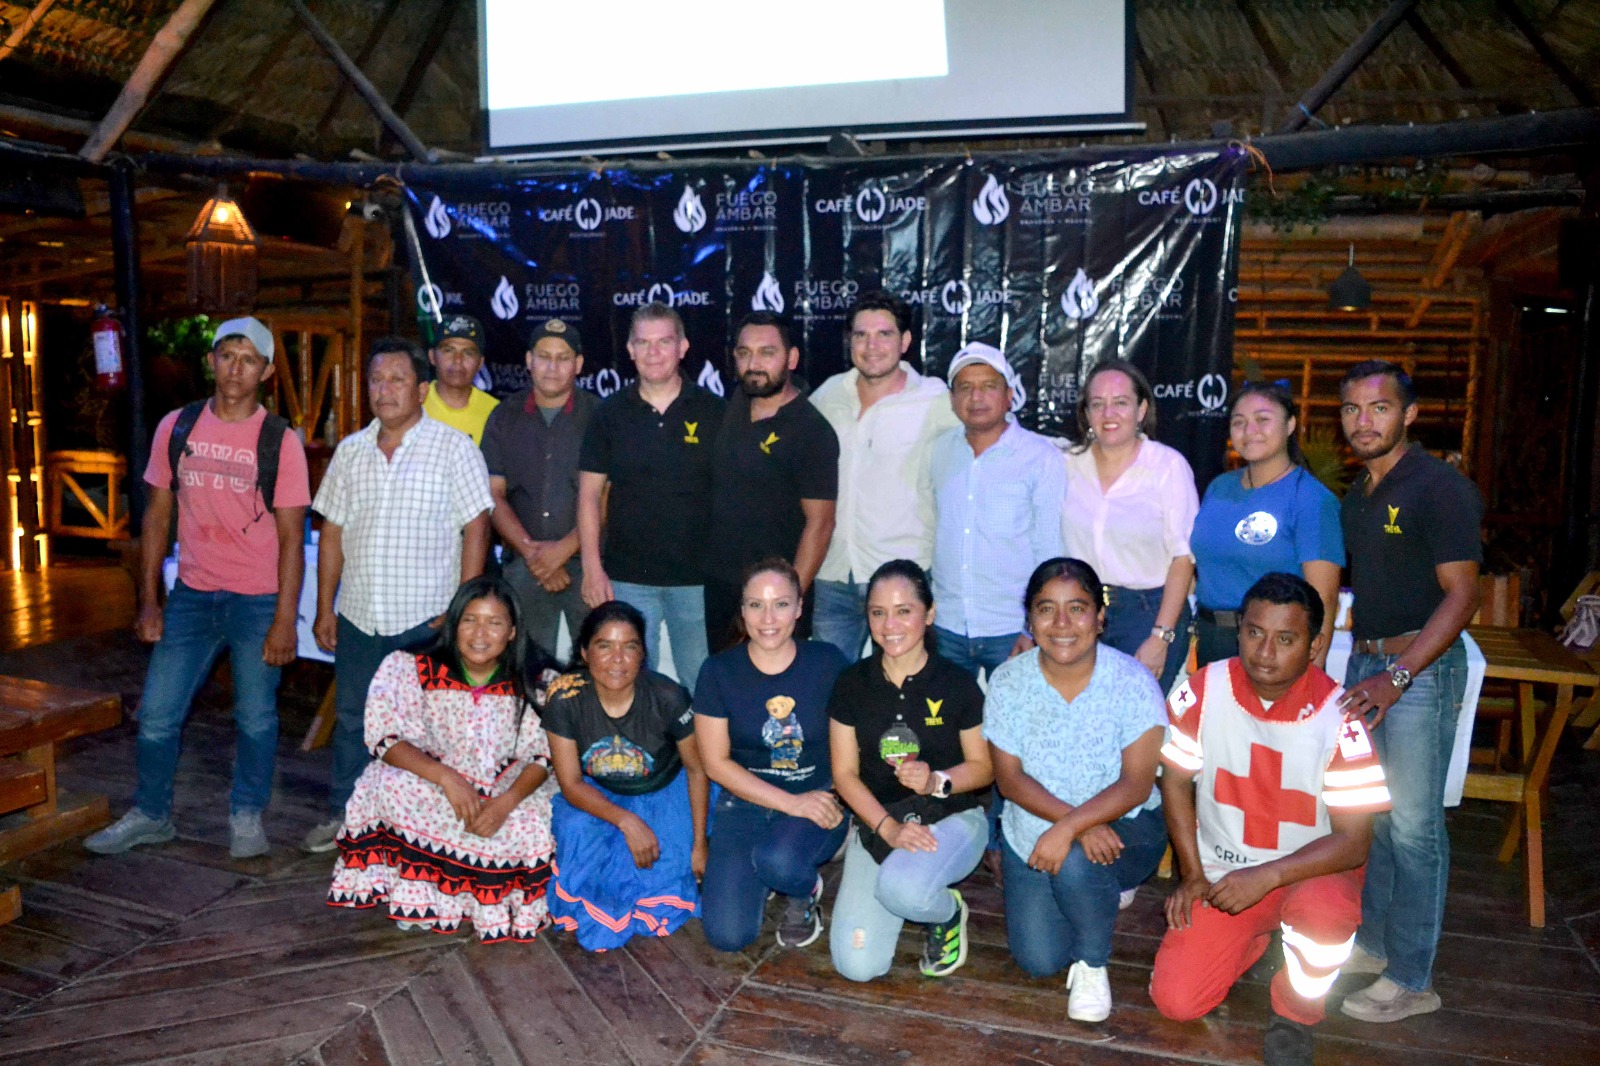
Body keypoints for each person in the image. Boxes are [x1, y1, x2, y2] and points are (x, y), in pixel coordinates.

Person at [87, 317, 310, 859]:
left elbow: (290, 538)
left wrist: (285, 620)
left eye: (248, 358)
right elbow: (156, 517)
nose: (236, 367)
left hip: (256, 602)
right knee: (157, 712)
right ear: (210, 361)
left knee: (256, 715)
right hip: (191, 594)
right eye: (226, 354)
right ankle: (151, 813)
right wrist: (149, 600)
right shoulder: (177, 427)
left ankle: (246, 814)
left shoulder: (280, 441)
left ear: (266, 372)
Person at [1151, 572, 1389, 1066]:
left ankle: (1296, 1013)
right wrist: (1193, 875)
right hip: (1224, 876)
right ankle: (1256, 938)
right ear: (1238, 628)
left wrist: (1268, 876)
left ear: (1315, 643)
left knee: (1325, 921)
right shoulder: (1204, 688)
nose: (1265, 652)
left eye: (1286, 639)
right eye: (1255, 632)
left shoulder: (1339, 717)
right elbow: (1173, 781)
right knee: (1177, 1002)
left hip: (1310, 877)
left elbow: (1354, 843)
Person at [303, 338, 494, 853]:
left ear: (422, 388)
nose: (384, 391)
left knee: (430, 731)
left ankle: (425, 827)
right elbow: (333, 532)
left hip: (426, 620)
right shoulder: (350, 451)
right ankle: (347, 817)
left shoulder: (454, 448)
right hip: (361, 616)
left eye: (397, 380)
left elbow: (476, 527)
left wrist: (462, 612)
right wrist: (325, 608)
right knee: (353, 721)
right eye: (376, 380)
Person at [1334, 359, 1482, 1024]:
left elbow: (1463, 595)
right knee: (1377, 818)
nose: (1364, 422)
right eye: (1352, 410)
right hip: (1366, 666)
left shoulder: (1438, 487)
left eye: (1379, 408)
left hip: (1413, 673)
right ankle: (1374, 945)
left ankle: (1414, 978)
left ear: (1409, 414)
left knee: (1416, 829)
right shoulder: (1358, 493)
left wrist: (1399, 677)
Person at [984, 558, 1168, 1023]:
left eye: (1078, 608)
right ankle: (1091, 892)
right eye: (1046, 609)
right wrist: (1076, 827)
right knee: (1039, 960)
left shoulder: (1132, 682)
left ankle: (1092, 962)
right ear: (1029, 618)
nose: (1061, 624)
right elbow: (1009, 780)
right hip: (1033, 832)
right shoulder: (1008, 681)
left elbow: (1136, 783)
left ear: (1100, 617)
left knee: (1076, 866)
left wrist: (1067, 829)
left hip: (1127, 826)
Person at [327, 576, 557, 941]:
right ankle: (420, 896)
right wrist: (447, 778)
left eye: (494, 622)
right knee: (388, 784)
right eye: (470, 619)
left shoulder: (538, 679)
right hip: (432, 775)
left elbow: (543, 755)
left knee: (527, 820)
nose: (480, 632)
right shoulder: (410, 666)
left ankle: (479, 903)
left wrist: (503, 804)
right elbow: (385, 737)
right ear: (453, 623)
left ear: (512, 632)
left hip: (505, 784)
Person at [827, 560, 991, 981]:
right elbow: (844, 775)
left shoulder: (957, 683)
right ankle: (908, 885)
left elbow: (983, 768)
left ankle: (947, 911)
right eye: (878, 612)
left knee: (904, 890)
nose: (890, 624)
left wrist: (939, 779)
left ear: (929, 614)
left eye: (904, 610)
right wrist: (886, 829)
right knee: (857, 965)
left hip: (951, 816)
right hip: (879, 822)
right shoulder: (850, 682)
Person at [693, 557, 850, 951]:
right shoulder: (717, 671)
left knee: (779, 861)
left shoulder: (828, 662)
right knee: (728, 937)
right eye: (755, 604)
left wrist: (828, 795)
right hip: (746, 803)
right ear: (742, 610)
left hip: (819, 798)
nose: (768, 617)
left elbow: (852, 743)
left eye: (781, 604)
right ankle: (761, 871)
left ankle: (803, 888)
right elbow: (715, 762)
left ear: (799, 608)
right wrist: (788, 803)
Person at [543, 600, 710, 950]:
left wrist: (699, 844)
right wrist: (626, 821)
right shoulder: (565, 699)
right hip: (597, 793)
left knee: (659, 873)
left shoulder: (668, 697)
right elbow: (570, 783)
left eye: (629, 646)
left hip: (664, 790)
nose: (617, 659)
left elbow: (696, 769)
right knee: (578, 838)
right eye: (605, 646)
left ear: (643, 655)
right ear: (586, 653)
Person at [578, 303, 723, 690]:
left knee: (702, 684)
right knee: (631, 684)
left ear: (683, 347)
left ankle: (701, 754)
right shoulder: (608, 414)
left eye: (664, 342)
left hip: (698, 580)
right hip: (627, 578)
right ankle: (645, 754)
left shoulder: (715, 412)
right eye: (643, 342)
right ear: (629, 349)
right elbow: (590, 495)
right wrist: (592, 567)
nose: (653, 352)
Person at [809, 292, 959, 661]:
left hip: (901, 579)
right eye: (861, 335)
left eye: (884, 334)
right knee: (829, 692)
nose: (871, 345)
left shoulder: (935, 399)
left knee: (902, 691)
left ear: (905, 342)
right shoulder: (828, 395)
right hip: (833, 576)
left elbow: (991, 434)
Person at [929, 343, 1065, 680]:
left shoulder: (1040, 457)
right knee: (947, 730)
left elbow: (1050, 551)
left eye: (989, 386)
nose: (976, 398)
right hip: (948, 627)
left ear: (1008, 395)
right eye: (965, 387)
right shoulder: (939, 451)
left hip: (1011, 629)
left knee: (1017, 730)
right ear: (952, 398)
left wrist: (1034, 628)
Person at [1061, 358, 1198, 693]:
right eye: (1098, 404)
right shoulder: (1064, 464)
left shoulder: (1167, 466)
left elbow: (1184, 558)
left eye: (1120, 403)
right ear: (1086, 414)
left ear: (1141, 410)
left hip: (1148, 614)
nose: (1109, 414)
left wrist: (1161, 636)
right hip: (1081, 613)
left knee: (1133, 732)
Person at [704, 312, 838, 652]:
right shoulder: (733, 406)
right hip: (723, 589)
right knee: (728, 695)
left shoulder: (812, 430)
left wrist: (785, 604)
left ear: (791, 358)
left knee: (776, 700)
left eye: (767, 352)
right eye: (744, 353)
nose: (754, 363)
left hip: (773, 600)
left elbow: (820, 525)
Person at [1191, 382, 1343, 668]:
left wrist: (1312, 674)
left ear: (1290, 425)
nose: (1250, 431)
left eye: (1263, 419)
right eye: (1239, 422)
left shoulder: (1311, 499)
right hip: (1211, 640)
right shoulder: (1219, 488)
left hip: (1272, 646)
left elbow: (1324, 597)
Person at [481, 318, 597, 658]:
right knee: (525, 671)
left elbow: (609, 497)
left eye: (563, 358)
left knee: (593, 674)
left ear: (578, 365)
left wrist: (562, 551)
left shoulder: (601, 416)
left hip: (588, 567)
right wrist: (534, 554)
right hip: (522, 567)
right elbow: (493, 494)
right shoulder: (504, 416)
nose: (552, 367)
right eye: (544, 357)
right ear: (529, 360)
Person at [422, 314, 500, 445]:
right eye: (448, 350)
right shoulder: (414, 405)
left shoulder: (497, 414)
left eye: (468, 353)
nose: (458, 360)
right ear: (432, 357)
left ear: (480, 363)